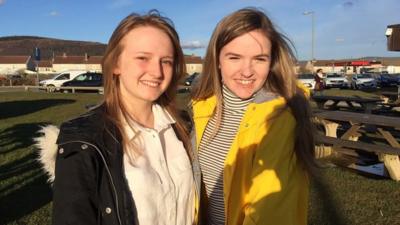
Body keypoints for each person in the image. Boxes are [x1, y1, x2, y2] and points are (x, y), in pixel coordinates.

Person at [36, 10, 200, 225]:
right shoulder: (83, 139)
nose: (157, 72)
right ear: (115, 65)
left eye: (166, 61)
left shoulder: (183, 125)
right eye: (143, 58)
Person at [191, 8, 317, 225]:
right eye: (234, 57)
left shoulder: (278, 118)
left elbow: (269, 212)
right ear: (217, 59)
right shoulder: (203, 108)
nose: (247, 71)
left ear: (272, 62)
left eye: (259, 59)